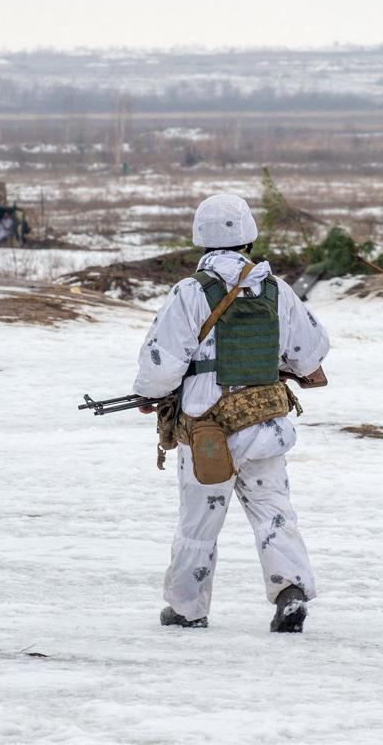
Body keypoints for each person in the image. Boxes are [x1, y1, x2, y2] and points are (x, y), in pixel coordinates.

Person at [132, 194, 330, 633]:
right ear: (248, 238)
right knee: (273, 509)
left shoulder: (189, 292)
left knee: (199, 522)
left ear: (201, 239)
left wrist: (148, 394)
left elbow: (161, 363)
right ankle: (291, 591)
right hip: (264, 423)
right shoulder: (277, 290)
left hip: (208, 430)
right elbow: (311, 349)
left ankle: (187, 608)